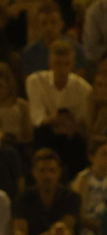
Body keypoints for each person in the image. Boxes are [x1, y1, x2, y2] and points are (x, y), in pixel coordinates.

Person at [27, 40, 92, 175]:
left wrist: (70, 125)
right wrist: (55, 120)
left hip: (70, 137)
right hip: (47, 132)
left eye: (66, 64)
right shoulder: (35, 81)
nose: (62, 69)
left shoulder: (83, 88)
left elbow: (83, 120)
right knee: (41, 132)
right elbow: (37, 117)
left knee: (77, 142)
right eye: (57, 63)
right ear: (50, 63)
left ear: (73, 64)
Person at [10, 150, 79, 235]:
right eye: (42, 171)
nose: (47, 175)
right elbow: (19, 231)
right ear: (34, 173)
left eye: (52, 170)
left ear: (59, 172)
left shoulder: (71, 197)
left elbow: (62, 230)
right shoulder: (24, 197)